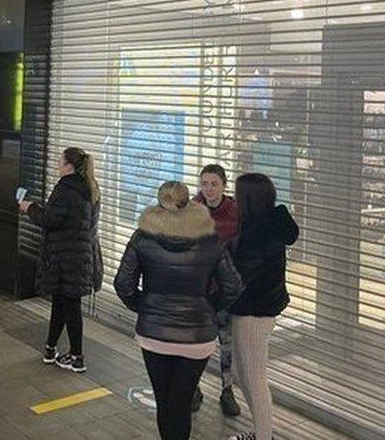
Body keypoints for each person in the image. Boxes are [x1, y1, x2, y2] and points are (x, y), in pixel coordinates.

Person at [114, 181, 243, 440]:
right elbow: (233, 286)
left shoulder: (142, 236)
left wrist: (145, 307)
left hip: (154, 334)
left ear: (159, 203)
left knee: (164, 401)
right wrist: (208, 307)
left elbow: (123, 284)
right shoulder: (210, 238)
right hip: (197, 338)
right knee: (181, 403)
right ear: (190, 203)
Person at [225, 173, 298, 440]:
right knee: (241, 373)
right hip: (252, 311)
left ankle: (264, 435)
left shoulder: (259, 234)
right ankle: (259, 431)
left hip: (254, 313)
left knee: (254, 378)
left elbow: (242, 276)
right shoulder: (267, 225)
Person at [17, 147, 102, 373]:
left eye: (59, 161)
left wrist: (30, 208)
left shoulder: (65, 189)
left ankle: (77, 357)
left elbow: (49, 219)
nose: (57, 165)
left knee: (69, 306)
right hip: (79, 256)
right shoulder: (90, 188)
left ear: (68, 166)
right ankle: (50, 348)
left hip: (65, 258)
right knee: (63, 303)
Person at [191, 164, 241, 416]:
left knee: (226, 342)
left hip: (224, 291)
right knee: (197, 341)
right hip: (199, 290)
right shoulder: (192, 210)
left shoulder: (235, 212)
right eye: (205, 183)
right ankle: (194, 388)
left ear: (224, 185)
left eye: (214, 184)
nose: (209, 189)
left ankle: (227, 390)